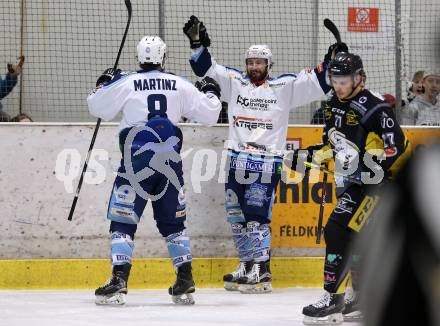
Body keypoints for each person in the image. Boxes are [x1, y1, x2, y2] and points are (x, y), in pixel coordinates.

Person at [183, 15, 347, 293]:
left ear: (269, 65)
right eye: (251, 62)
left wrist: (332, 59)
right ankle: (246, 264)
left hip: (267, 162)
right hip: (236, 159)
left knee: (257, 216)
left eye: (259, 62)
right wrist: (197, 43)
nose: (254, 67)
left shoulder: (285, 87)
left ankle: (262, 269)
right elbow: (205, 70)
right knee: (237, 218)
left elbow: (319, 81)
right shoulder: (235, 82)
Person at [87, 36, 222, 305]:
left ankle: (119, 279)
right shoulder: (179, 84)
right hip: (169, 161)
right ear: (164, 56)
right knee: (174, 223)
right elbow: (210, 114)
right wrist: (211, 92)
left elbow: (96, 106)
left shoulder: (126, 82)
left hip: (136, 160)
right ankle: (185, 279)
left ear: (139, 57)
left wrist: (104, 82)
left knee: (123, 220)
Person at [290, 52, 412, 325]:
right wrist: (303, 157)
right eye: (334, 79)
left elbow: (399, 147)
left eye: (344, 80)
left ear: (359, 78)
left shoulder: (375, 107)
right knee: (356, 239)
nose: (338, 85)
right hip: (351, 183)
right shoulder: (333, 104)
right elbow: (329, 147)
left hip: (377, 186)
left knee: (337, 229)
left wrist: (372, 168)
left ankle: (333, 299)